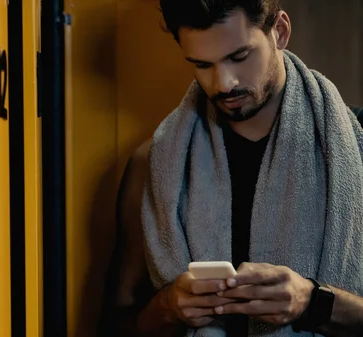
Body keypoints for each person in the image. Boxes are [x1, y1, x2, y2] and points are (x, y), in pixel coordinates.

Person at [108, 1, 363, 336]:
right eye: (202, 64)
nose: (224, 83)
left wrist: (311, 303)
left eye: (239, 57)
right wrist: (168, 307)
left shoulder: (355, 147)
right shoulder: (155, 165)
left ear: (280, 32)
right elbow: (116, 325)